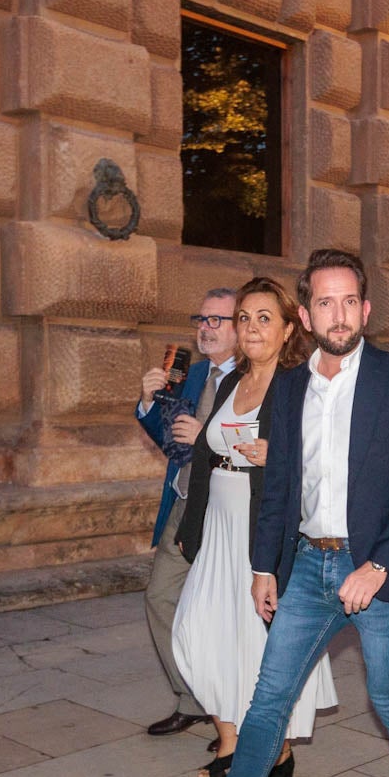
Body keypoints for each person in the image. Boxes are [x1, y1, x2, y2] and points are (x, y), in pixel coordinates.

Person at [151, 248, 389, 777]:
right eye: (324, 303)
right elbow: (279, 484)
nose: (337, 314)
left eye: (348, 301)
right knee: (266, 700)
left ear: (363, 309)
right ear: (306, 316)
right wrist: (264, 567)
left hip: (377, 573)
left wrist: (380, 566)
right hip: (308, 565)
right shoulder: (290, 386)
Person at [171, 276, 334, 777]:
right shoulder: (228, 382)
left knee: (256, 644)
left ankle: (273, 751)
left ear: (289, 329)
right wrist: (190, 529)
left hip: (264, 529)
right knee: (198, 633)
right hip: (218, 526)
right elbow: (204, 453)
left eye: (265, 318)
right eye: (244, 318)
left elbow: (330, 462)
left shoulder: (301, 387)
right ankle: (230, 740)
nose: (251, 328)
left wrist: (280, 458)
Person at [137, 288, 238, 739]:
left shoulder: (257, 378)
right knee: (161, 598)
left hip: (226, 510)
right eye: (202, 318)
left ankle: (231, 716)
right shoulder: (192, 376)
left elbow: (265, 448)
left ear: (242, 326)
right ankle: (192, 698)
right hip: (182, 503)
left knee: (223, 615)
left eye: (218, 320)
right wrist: (147, 404)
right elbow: (170, 442)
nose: (206, 327)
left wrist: (208, 435)